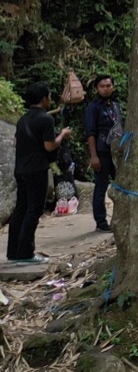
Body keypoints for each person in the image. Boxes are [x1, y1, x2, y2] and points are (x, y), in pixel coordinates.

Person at [7, 82, 73, 263]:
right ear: (44, 98)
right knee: (34, 210)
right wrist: (63, 134)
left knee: (21, 209)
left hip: (21, 170)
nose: (50, 99)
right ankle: (26, 253)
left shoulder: (23, 119)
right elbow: (49, 145)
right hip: (37, 169)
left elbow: (15, 143)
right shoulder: (46, 119)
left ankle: (13, 252)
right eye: (49, 96)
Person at [82, 75, 122, 233]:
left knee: (122, 183)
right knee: (101, 186)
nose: (106, 89)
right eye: (102, 86)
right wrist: (94, 156)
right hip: (102, 151)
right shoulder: (93, 107)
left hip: (117, 152)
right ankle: (100, 221)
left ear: (113, 86)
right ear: (97, 88)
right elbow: (90, 133)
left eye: (108, 85)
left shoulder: (115, 106)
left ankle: (121, 216)